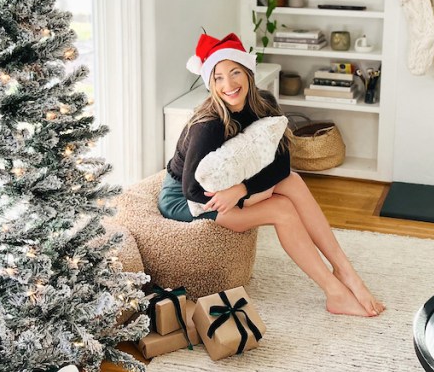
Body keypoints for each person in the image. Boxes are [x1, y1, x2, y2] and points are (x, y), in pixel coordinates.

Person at [160, 31, 384, 318]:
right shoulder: (209, 124)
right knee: (283, 210)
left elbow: (282, 165)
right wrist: (238, 193)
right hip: (186, 198)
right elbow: (192, 189)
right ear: (211, 83)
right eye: (218, 78)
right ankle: (334, 291)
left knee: (293, 181)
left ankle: (344, 269)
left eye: (235, 72)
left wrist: (242, 190)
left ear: (248, 72)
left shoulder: (263, 104)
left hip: (230, 187)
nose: (228, 85)